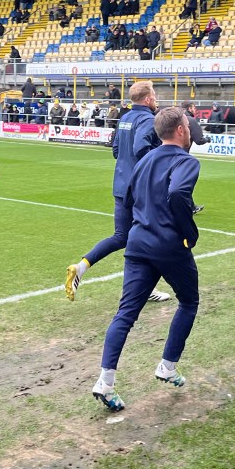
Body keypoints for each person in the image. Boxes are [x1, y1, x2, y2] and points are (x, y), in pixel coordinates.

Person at [91, 107, 201, 412]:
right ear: (180, 130)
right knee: (189, 302)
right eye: (187, 126)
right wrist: (189, 232)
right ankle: (167, 366)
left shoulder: (143, 161)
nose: (189, 130)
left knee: (125, 314)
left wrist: (137, 228)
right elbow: (178, 193)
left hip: (138, 243)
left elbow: (127, 200)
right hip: (169, 245)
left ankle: (105, 380)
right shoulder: (187, 161)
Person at [65, 80, 170, 303]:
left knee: (123, 237)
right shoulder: (147, 119)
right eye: (154, 95)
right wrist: (160, 156)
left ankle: (81, 266)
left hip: (121, 185)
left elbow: (115, 150)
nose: (155, 99)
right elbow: (140, 148)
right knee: (151, 237)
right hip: (140, 190)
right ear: (148, 99)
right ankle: (144, 288)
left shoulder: (125, 118)